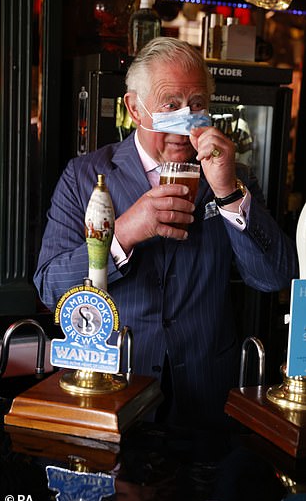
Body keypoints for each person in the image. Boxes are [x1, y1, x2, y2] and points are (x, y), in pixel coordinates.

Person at [34, 37, 298, 430]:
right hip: (115, 390)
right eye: (170, 106)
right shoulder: (84, 176)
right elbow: (50, 286)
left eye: (196, 106)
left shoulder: (232, 177)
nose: (185, 121)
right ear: (134, 108)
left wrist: (227, 194)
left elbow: (274, 276)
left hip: (209, 397)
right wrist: (122, 233)